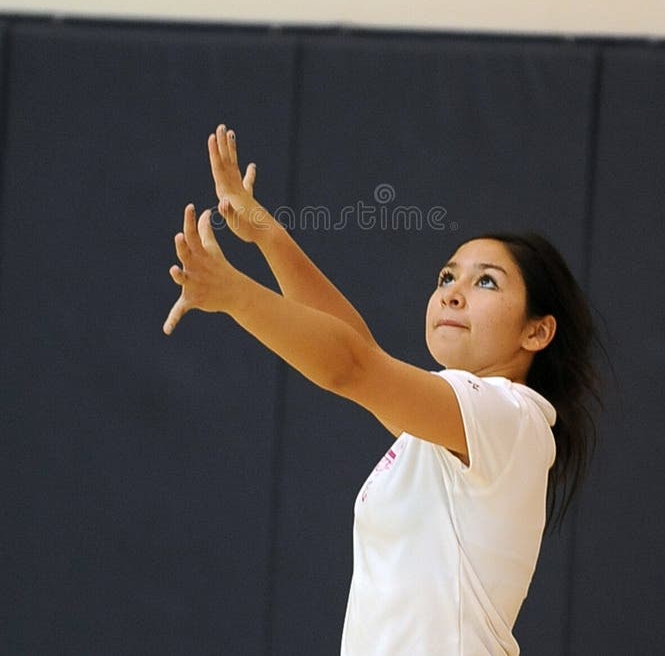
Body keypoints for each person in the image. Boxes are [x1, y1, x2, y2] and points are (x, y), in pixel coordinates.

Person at [163, 124, 602, 655]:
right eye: (446, 277)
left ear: (538, 331)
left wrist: (233, 293)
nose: (454, 294)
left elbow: (350, 364)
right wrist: (264, 234)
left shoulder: (510, 416)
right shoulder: (454, 425)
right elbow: (356, 348)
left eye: (485, 281)